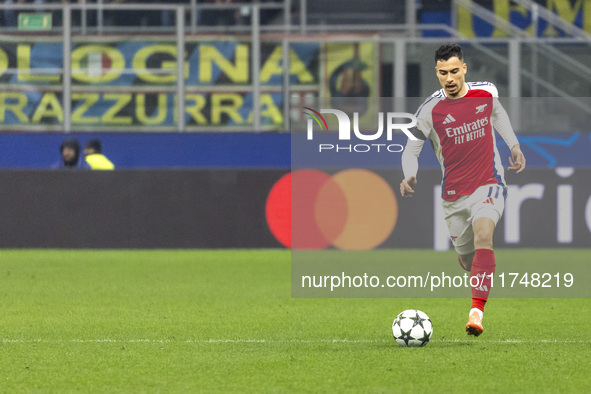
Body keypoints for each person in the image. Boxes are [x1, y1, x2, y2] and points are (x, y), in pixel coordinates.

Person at [399, 43, 526, 337]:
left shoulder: (486, 92)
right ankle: (476, 268)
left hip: (489, 182)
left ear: (464, 68)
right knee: (468, 261)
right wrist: (410, 176)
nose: (450, 78)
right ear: (437, 73)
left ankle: (476, 312)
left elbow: (499, 115)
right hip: (454, 196)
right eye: (443, 73)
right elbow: (411, 151)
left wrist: (514, 146)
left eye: (455, 71)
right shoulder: (428, 110)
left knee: (485, 235)